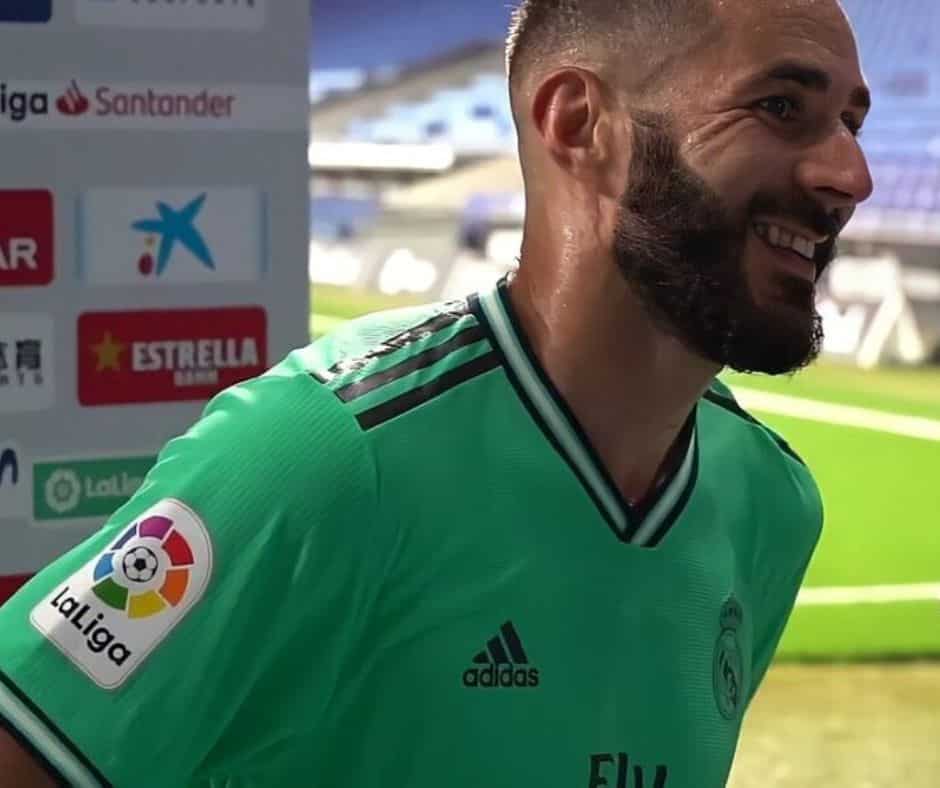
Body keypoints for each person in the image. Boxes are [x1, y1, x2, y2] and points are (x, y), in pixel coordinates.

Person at [0, 0, 873, 785]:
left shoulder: (771, 501)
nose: (851, 175)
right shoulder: (320, 458)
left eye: (852, 123)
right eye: (781, 107)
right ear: (579, 125)